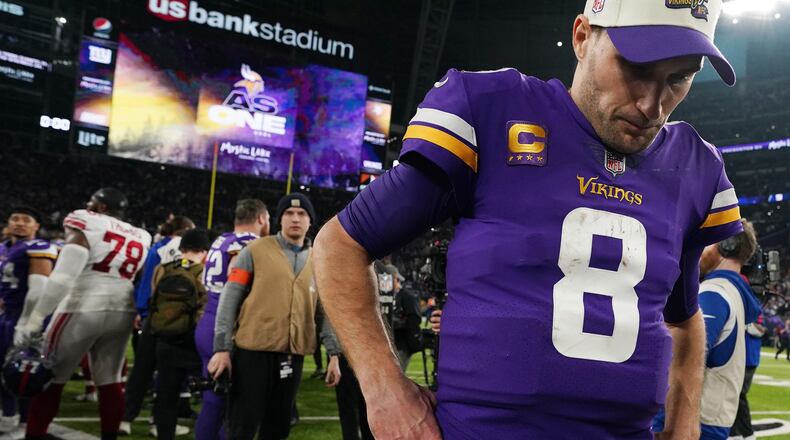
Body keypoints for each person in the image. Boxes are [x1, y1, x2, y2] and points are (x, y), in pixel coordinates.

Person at [312, 0, 745, 438]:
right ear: (581, 36)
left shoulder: (694, 167)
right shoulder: (492, 111)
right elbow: (340, 243)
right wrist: (384, 389)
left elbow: (683, 316)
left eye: (679, 78)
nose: (652, 105)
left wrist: (684, 423)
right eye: (635, 67)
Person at [15, 188, 152, 440]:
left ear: (100, 207)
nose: (87, 207)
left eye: (91, 204)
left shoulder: (86, 219)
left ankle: (34, 435)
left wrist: (36, 317)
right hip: (122, 306)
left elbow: (65, 274)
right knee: (110, 380)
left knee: (50, 378)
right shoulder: (143, 235)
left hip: (83, 302)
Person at [207, 193, 341, 440]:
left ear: (311, 221)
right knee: (242, 426)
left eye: (302, 214)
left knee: (278, 427)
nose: (295, 219)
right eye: (289, 213)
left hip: (293, 355)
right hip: (252, 353)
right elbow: (229, 300)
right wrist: (222, 348)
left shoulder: (319, 260)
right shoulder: (253, 250)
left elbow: (323, 311)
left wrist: (333, 354)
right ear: (279, 219)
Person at [653, 219, 761, 439]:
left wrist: (660, 420)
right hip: (712, 420)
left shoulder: (714, 293)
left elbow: (683, 361)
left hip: (693, 422)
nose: (701, 249)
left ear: (727, 244)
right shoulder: (732, 292)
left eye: (709, 242)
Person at [194, 199, 269, 440]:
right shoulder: (249, 244)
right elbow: (234, 282)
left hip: (207, 320)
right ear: (260, 219)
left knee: (213, 400)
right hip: (229, 327)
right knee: (233, 407)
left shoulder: (221, 239)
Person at [121, 215, 195, 436]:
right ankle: (157, 422)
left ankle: (125, 418)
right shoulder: (178, 248)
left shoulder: (157, 247)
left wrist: (141, 309)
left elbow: (146, 281)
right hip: (168, 318)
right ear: (185, 231)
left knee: (141, 371)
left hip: (148, 314)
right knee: (165, 373)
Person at [0, 207, 57, 432]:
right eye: (15, 219)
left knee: (24, 370)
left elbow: (38, 290)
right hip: (6, 315)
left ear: (36, 226)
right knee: (3, 367)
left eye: (26, 220)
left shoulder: (39, 247)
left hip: (27, 315)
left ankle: (25, 422)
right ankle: (8, 415)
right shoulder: (3, 247)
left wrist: (28, 322)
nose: (20, 223)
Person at [151, 229, 211, 440]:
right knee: (209, 397)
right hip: (194, 341)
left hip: (165, 339)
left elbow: (154, 300)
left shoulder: (163, 269)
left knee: (166, 396)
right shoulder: (203, 271)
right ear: (204, 250)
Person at [730, 312, 766, 440]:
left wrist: (743, 322)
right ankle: (736, 432)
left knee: (739, 395)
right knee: (733, 394)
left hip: (748, 358)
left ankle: (746, 432)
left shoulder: (755, 309)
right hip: (738, 356)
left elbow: (761, 330)